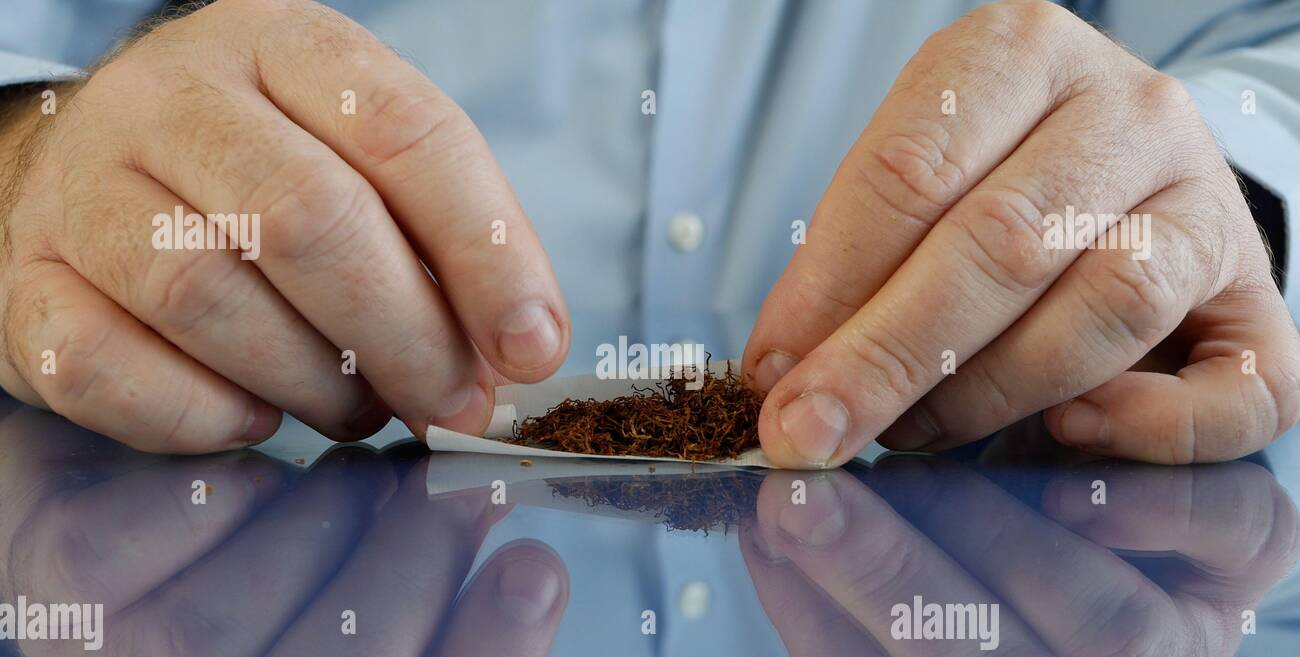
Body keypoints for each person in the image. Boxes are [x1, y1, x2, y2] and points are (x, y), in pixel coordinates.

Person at [1, 0, 1298, 468]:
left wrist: (1221, 194)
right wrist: (31, 168)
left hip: (1003, 508)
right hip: (239, 490)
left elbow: (1258, 58)